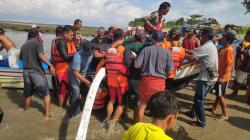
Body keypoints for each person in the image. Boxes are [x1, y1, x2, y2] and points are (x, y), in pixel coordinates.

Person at [134, 30, 174, 122]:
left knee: (142, 105)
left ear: (153, 39)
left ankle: (140, 126)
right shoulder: (167, 52)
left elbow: (137, 65)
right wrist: (166, 76)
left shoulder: (145, 49)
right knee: (157, 107)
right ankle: (155, 128)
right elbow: (170, 70)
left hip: (146, 81)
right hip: (160, 82)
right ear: (163, 40)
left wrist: (144, 68)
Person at [20, 28, 55, 120]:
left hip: (25, 72)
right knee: (46, 93)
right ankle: (47, 116)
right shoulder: (38, 43)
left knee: (28, 93)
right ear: (37, 36)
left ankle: (26, 110)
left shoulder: (23, 45)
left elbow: (21, 59)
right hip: (36, 72)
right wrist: (51, 65)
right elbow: (40, 56)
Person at [186, 28, 218, 128]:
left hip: (206, 78)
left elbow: (193, 57)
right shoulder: (210, 45)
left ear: (206, 36)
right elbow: (195, 51)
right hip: (210, 77)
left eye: (201, 35)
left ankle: (201, 122)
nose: (200, 37)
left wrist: (181, 53)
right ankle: (193, 113)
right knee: (198, 97)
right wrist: (185, 50)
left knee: (199, 100)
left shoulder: (207, 46)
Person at [101, 28, 129, 136]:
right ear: (122, 37)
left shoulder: (108, 49)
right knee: (121, 103)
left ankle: (108, 119)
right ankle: (112, 125)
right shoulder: (124, 49)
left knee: (112, 100)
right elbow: (127, 63)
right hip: (120, 80)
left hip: (110, 78)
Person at [124, 29, 149, 121]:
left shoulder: (127, 47)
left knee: (126, 95)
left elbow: (127, 63)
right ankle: (136, 119)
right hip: (141, 76)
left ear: (135, 37)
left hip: (129, 75)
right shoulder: (148, 46)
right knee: (138, 98)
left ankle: (124, 113)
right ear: (144, 37)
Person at [69, 41, 98, 117]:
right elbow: (75, 73)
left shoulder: (92, 51)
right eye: (88, 51)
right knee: (76, 90)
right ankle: (74, 113)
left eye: (91, 51)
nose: (90, 53)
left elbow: (96, 54)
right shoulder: (77, 56)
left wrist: (105, 55)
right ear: (84, 50)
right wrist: (87, 82)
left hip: (83, 72)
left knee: (85, 90)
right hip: (74, 72)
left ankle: (84, 109)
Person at [210, 32, 235, 121]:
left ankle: (225, 114)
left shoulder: (229, 50)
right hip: (218, 75)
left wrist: (223, 77)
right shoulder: (221, 49)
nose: (221, 39)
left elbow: (229, 65)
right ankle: (213, 108)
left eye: (223, 38)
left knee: (220, 95)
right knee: (218, 93)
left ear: (228, 40)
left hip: (223, 77)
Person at [51, 25, 76, 107]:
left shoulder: (56, 41)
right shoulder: (61, 42)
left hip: (61, 68)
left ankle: (63, 105)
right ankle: (60, 109)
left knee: (64, 89)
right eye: (71, 35)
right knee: (63, 90)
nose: (72, 37)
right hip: (62, 70)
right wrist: (77, 54)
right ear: (65, 34)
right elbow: (65, 57)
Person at [231, 29, 250, 96]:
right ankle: (234, 92)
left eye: (248, 35)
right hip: (239, 64)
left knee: (240, 80)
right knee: (236, 78)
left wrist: (241, 49)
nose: (246, 36)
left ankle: (235, 92)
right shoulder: (242, 43)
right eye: (247, 34)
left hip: (245, 65)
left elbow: (248, 53)